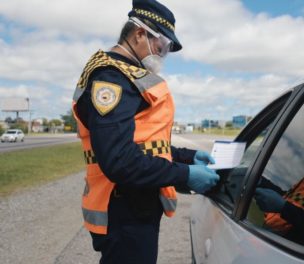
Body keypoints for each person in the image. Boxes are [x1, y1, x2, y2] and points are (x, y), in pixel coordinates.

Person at [71, 0, 219, 263]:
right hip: (124, 210)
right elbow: (120, 160)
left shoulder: (127, 74)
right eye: (162, 45)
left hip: (133, 206)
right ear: (139, 34)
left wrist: (186, 157)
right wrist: (185, 175)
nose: (163, 53)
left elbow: (142, 143)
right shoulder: (112, 77)